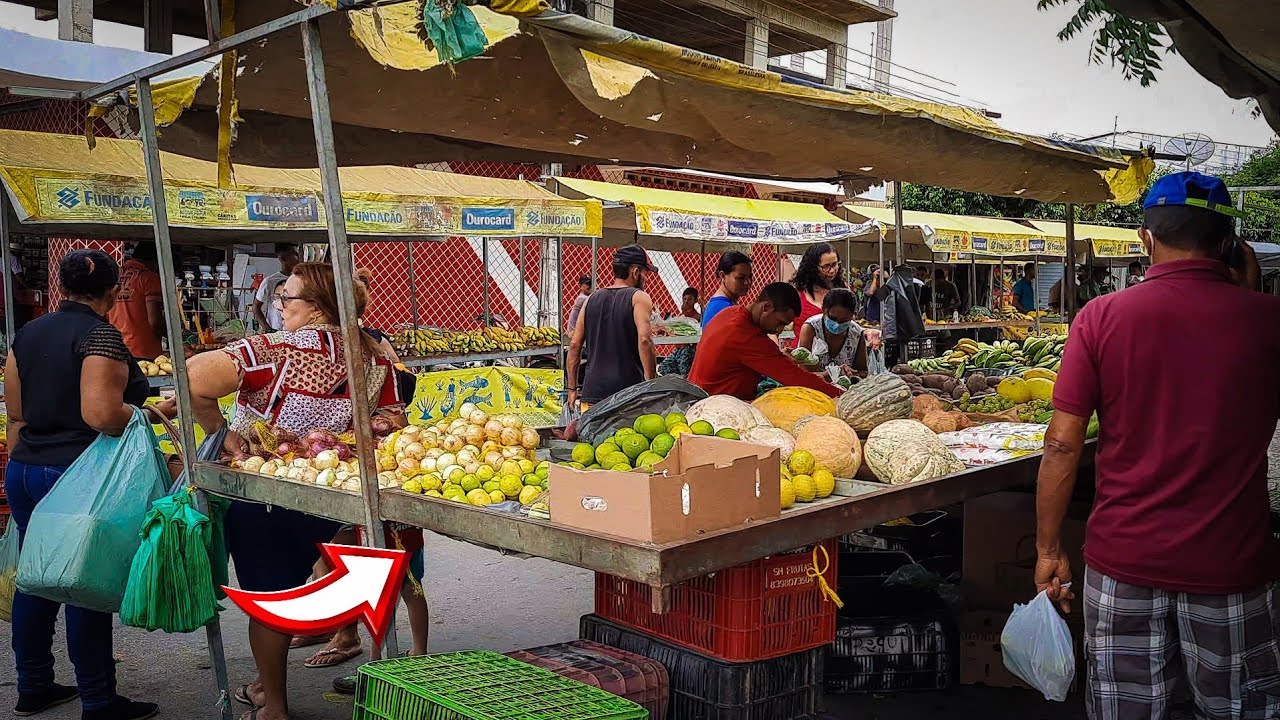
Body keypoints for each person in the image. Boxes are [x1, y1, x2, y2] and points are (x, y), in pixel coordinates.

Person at [1034, 172, 1280, 720]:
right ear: (1229, 244)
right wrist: (1253, 297)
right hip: (1232, 565)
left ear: (1146, 239)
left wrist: (1049, 550)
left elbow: (1062, 447)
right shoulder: (1270, 322)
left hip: (1125, 562)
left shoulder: (1100, 318)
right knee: (1240, 709)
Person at [186, 263, 404, 720]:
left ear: (317, 307)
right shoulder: (374, 354)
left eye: (288, 299)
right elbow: (392, 423)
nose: (280, 306)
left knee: (268, 600)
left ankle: (275, 707)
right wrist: (343, 434)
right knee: (299, 587)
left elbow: (193, 378)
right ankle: (267, 688)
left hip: (264, 493)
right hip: (329, 494)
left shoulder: (278, 348)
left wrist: (222, 434)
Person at [6, 250, 169, 720]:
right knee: (83, 581)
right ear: (115, 290)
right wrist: (148, 412)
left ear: (63, 285)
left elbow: (16, 412)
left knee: (36, 577)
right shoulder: (101, 334)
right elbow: (101, 414)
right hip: (77, 473)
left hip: (27, 467)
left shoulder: (28, 333)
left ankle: (33, 684)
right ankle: (98, 699)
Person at [688, 282, 842, 401]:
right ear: (767, 307)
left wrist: (780, 357)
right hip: (713, 408)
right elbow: (795, 377)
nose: (779, 330)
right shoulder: (746, 335)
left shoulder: (730, 313)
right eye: (780, 322)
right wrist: (840, 396)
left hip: (699, 398)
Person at [566, 244, 657, 410]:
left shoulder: (591, 299)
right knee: (625, 436)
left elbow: (574, 345)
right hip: (627, 396)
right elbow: (645, 340)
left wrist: (572, 388)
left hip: (592, 394)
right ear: (635, 271)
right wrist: (652, 382)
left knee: (590, 436)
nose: (646, 278)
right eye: (645, 272)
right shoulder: (639, 298)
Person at [796, 288, 882, 377]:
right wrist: (830, 374)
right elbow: (803, 372)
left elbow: (862, 371)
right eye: (833, 318)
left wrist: (850, 374)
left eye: (844, 320)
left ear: (853, 315)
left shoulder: (856, 333)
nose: (837, 324)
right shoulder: (811, 328)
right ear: (824, 310)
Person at [108, 242, 166, 361]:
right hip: (143, 350)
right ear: (155, 261)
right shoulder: (149, 278)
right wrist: (173, 338)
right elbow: (155, 321)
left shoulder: (114, 276)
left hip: (116, 348)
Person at [790, 243, 847, 327]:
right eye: (826, 266)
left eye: (835, 264)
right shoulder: (797, 294)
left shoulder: (843, 290)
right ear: (812, 268)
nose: (832, 271)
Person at [252, 244, 300, 332]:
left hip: (296, 329)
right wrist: (267, 328)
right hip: (276, 329)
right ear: (283, 259)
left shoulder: (301, 279)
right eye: (294, 254)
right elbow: (256, 307)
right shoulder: (269, 281)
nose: (298, 258)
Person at [701, 251, 752, 329]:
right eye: (740, 278)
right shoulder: (725, 309)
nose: (747, 282)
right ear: (722, 276)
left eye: (750, 277)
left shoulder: (718, 304)